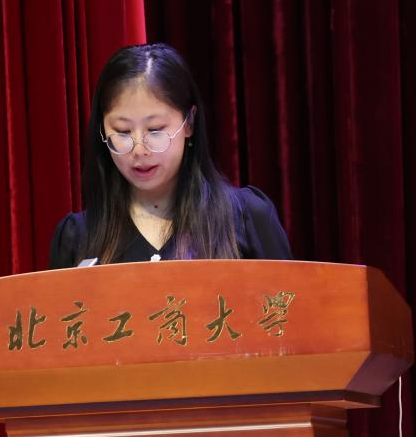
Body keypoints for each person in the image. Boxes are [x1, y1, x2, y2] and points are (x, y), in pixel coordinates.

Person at [49, 43, 293, 269]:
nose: (139, 150)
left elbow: (290, 300)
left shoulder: (247, 219)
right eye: (122, 131)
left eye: (155, 130)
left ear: (189, 123)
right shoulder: (78, 236)